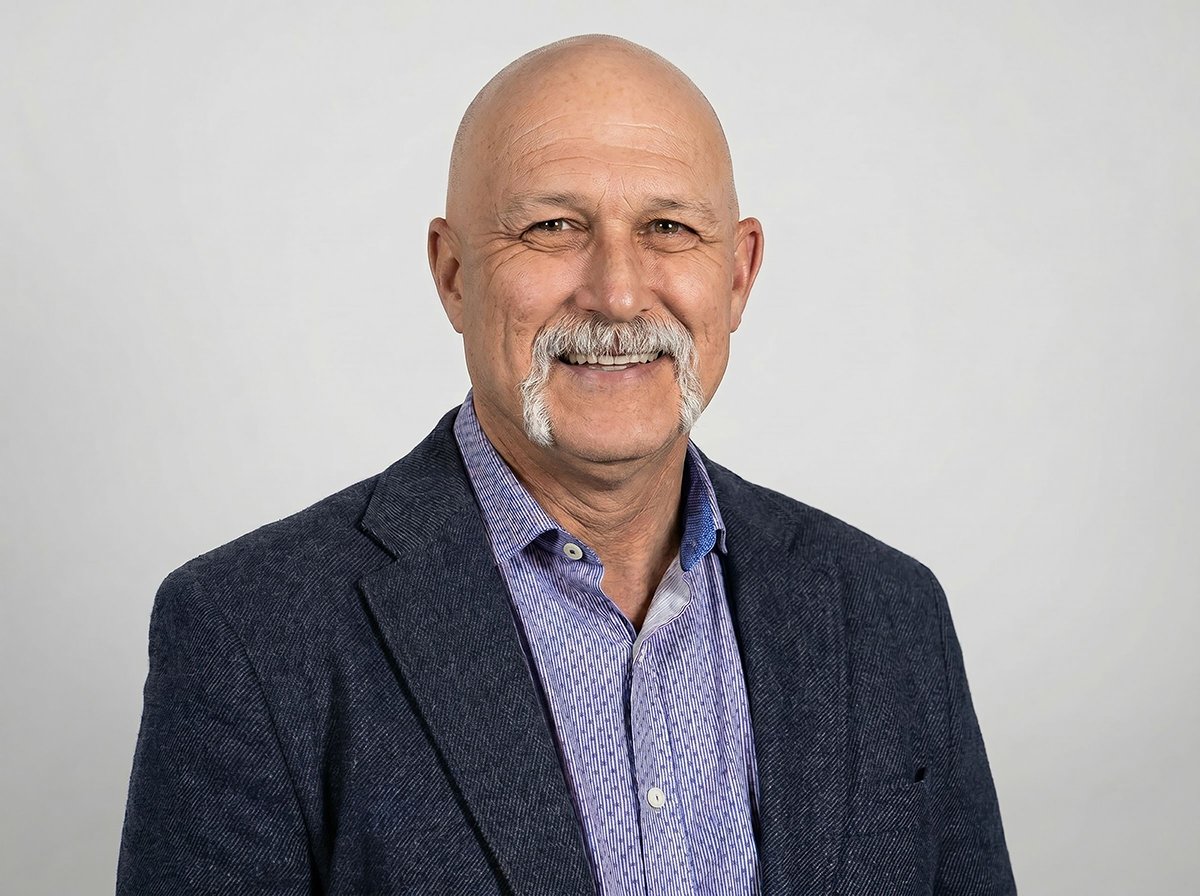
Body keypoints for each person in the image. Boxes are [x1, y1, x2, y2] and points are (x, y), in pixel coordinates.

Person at [117, 34, 1015, 896]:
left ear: (738, 275)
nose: (617, 293)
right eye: (552, 227)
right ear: (454, 274)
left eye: (668, 226)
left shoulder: (891, 615)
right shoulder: (251, 635)